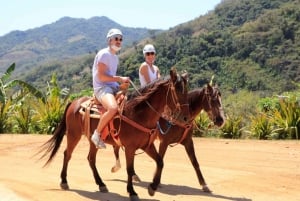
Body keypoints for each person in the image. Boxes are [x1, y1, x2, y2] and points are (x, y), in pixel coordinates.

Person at [91, 28, 130, 149]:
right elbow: (101, 76)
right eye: (116, 39)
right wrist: (119, 79)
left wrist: (120, 85)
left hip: (111, 87)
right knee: (113, 108)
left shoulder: (115, 57)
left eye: (120, 39)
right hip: (102, 88)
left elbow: (110, 78)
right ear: (109, 41)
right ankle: (97, 134)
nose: (119, 41)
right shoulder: (104, 54)